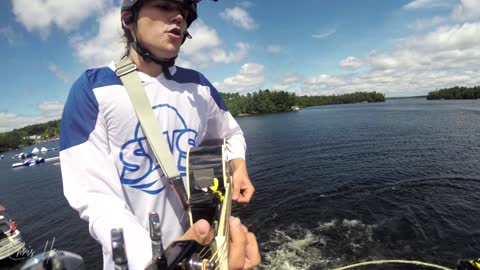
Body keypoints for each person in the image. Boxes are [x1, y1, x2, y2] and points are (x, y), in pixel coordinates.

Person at [59, 0, 258, 269]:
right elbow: (95, 197)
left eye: (185, 14)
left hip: (205, 249)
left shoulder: (198, 85)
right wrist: (157, 261)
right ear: (128, 18)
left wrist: (238, 167)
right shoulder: (93, 89)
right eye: (165, 6)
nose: (178, 17)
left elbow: (230, 134)